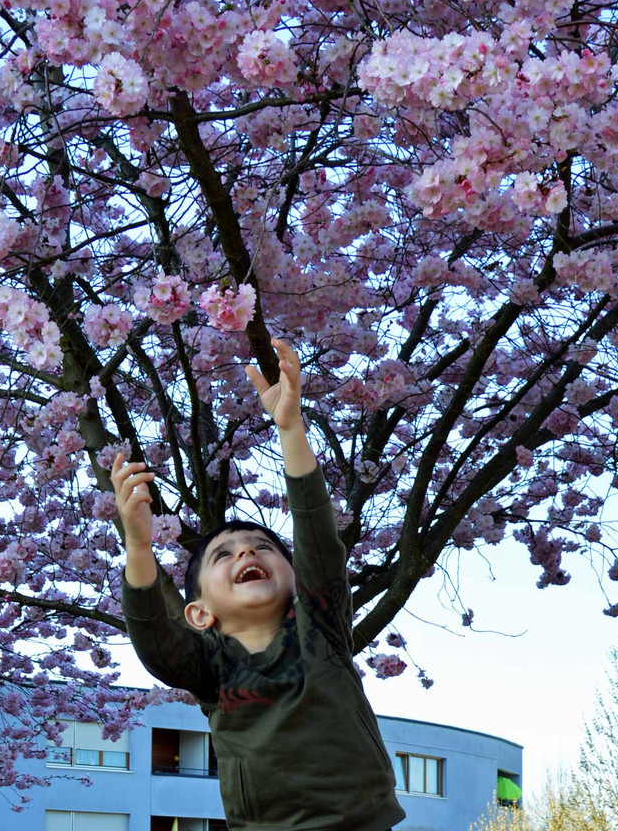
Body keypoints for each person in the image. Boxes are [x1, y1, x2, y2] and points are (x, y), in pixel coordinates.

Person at [114, 339, 406, 831]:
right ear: (200, 613)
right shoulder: (210, 665)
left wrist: (290, 429)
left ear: (296, 581)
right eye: (223, 556)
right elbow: (155, 642)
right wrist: (139, 549)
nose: (247, 553)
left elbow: (317, 537)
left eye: (262, 547)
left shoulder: (323, 629)